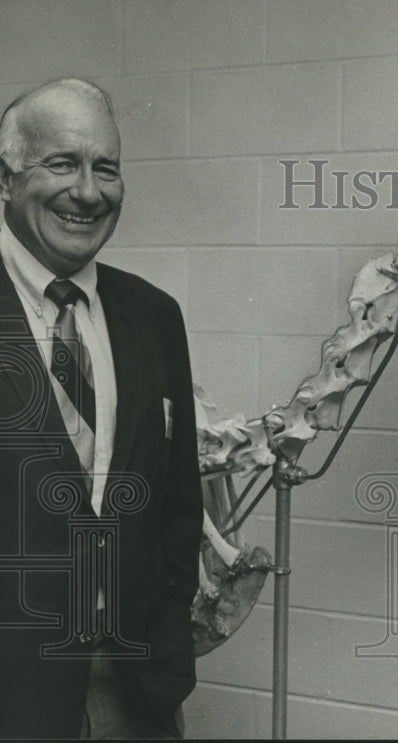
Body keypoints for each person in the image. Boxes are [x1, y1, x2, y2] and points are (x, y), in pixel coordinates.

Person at [0, 79, 202, 738]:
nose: (88, 191)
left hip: (133, 689)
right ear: (6, 178)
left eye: (105, 168)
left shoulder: (154, 314)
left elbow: (178, 506)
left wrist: (165, 649)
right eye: (62, 163)